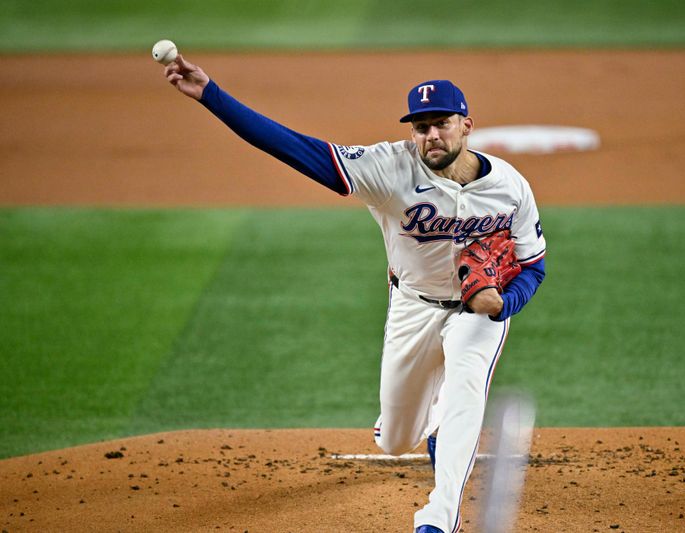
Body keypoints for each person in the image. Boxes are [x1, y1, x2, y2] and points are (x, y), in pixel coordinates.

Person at [163, 55, 546, 533]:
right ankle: (423, 426)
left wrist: (502, 305)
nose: (431, 135)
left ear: (466, 125)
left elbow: (533, 265)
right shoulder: (386, 169)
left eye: (442, 124)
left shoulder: (510, 186)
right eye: (421, 126)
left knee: (468, 388)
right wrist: (211, 96)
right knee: (396, 439)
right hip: (413, 306)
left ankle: (439, 517)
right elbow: (293, 148)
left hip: (476, 317)